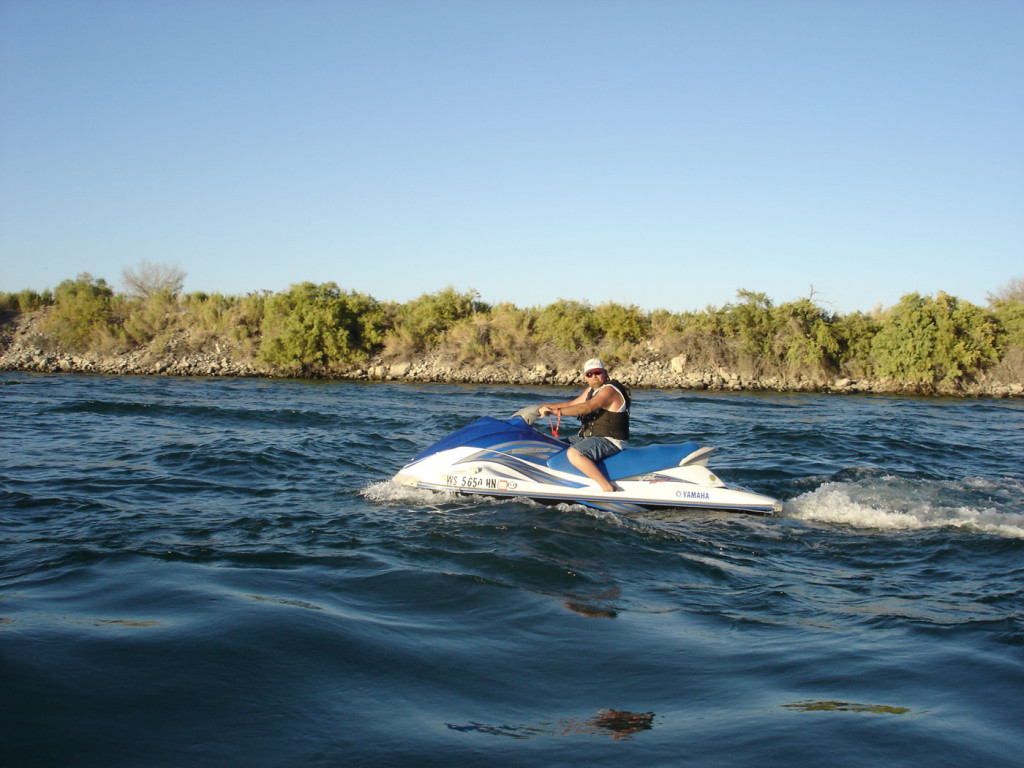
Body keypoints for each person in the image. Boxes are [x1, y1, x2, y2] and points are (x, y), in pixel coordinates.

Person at [538, 358, 630, 492]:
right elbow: (570, 405)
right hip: (589, 437)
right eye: (589, 374)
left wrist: (555, 412)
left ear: (605, 372)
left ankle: (608, 488)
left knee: (574, 453)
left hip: (610, 440)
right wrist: (539, 407)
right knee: (552, 445)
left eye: (597, 373)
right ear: (586, 377)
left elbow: (589, 407)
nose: (594, 377)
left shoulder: (610, 390)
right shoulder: (591, 390)